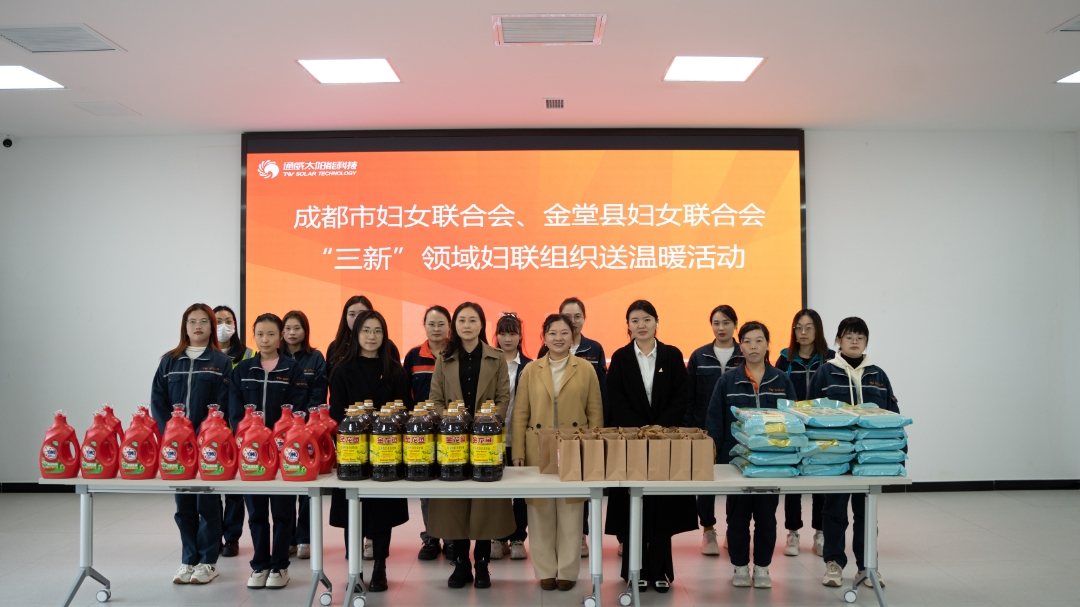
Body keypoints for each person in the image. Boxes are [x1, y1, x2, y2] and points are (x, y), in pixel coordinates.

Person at [604, 300, 697, 594]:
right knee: (634, 507)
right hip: (631, 443)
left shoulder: (672, 355)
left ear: (657, 322)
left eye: (646, 319)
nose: (641, 325)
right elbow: (616, 400)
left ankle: (660, 571)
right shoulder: (620, 358)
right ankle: (635, 571)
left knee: (661, 508)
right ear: (628, 326)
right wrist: (640, 429)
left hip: (664, 442)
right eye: (634, 320)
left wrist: (658, 428)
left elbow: (681, 397)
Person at [511, 313, 603, 590]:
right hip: (537, 447)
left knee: (571, 513)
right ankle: (545, 570)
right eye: (552, 333)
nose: (558, 338)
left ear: (573, 336)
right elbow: (520, 413)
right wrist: (518, 450)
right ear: (544, 337)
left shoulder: (585, 369)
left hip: (574, 447)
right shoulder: (531, 370)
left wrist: (594, 450)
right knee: (540, 513)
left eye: (564, 332)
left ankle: (567, 571)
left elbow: (595, 413)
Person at [427, 302, 515, 589]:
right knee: (455, 504)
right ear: (455, 325)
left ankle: (482, 564)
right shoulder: (444, 358)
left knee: (484, 505)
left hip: (485, 442)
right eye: (462, 320)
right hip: (452, 443)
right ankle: (461, 564)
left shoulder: (495, 358)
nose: (467, 325)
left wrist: (485, 424)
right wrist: (453, 421)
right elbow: (435, 400)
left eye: (473, 320)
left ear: (482, 324)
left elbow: (503, 398)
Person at [809, 317, 900, 590]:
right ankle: (834, 564)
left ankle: (867, 566)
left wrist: (897, 452)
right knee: (834, 512)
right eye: (849, 336)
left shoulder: (878, 375)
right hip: (835, 456)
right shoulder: (825, 372)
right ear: (839, 340)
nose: (855, 341)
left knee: (866, 514)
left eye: (860, 337)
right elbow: (810, 413)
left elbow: (893, 415)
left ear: (866, 342)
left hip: (870, 457)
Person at [706, 321, 797, 590]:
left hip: (772, 463)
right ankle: (739, 566)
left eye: (759, 341)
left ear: (768, 345)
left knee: (767, 518)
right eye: (747, 341)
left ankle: (763, 567)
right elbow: (715, 421)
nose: (753, 346)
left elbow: (793, 420)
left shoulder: (781, 380)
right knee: (737, 518)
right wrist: (717, 459)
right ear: (740, 346)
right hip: (736, 463)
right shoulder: (727, 381)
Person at [327, 310, 411, 593]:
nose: (371, 336)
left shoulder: (395, 371)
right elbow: (336, 413)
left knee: (382, 513)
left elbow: (403, 412)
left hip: (386, 453)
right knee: (353, 512)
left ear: (384, 335)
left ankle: (380, 568)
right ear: (356, 334)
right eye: (366, 330)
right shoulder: (341, 370)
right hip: (353, 453)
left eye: (377, 331)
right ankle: (355, 571)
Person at [151, 304, 231, 586]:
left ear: (212, 327)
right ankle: (188, 559)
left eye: (204, 321)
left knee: (207, 503)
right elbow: (157, 401)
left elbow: (222, 402)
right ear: (184, 327)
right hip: (176, 447)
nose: (198, 326)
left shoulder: (221, 362)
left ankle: (208, 561)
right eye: (192, 321)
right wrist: (173, 436)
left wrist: (202, 435)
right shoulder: (169, 361)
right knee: (183, 505)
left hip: (207, 444)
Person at [227, 313, 307, 590]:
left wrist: (278, 441)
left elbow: (297, 408)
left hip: (283, 452)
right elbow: (235, 411)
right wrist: (248, 439)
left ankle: (280, 566)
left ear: (280, 336)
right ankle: (259, 565)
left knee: (283, 513)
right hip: (252, 454)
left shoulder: (292, 369)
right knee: (257, 513)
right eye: (260, 334)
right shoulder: (242, 369)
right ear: (254, 336)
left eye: (271, 334)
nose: (265, 339)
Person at [774, 309, 834, 558]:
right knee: (793, 481)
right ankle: (793, 532)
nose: (803, 332)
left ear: (818, 330)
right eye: (798, 327)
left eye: (809, 327)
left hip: (821, 427)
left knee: (820, 480)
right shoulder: (784, 360)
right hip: (793, 427)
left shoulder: (830, 359)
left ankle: (820, 532)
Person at [683, 304, 742, 556]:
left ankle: (733, 529)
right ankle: (708, 529)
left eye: (726, 322)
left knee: (735, 483)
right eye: (716, 323)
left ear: (735, 325)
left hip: (739, 431)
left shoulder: (745, 354)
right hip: (704, 430)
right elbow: (689, 396)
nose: (721, 327)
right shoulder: (700, 356)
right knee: (707, 482)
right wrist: (688, 429)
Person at [556, 297, 607, 557]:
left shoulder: (594, 348)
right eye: (568, 316)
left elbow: (600, 392)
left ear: (584, 319)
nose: (573, 321)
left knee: (583, 483)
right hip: (556, 428)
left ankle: (582, 535)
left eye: (577, 316)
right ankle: (560, 534)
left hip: (584, 427)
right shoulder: (550, 347)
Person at [403, 305, 452, 561]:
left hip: (451, 430)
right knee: (427, 488)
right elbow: (406, 395)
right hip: (421, 433)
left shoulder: (456, 353)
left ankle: (452, 539)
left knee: (451, 487)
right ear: (424, 326)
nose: (436, 328)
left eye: (441, 323)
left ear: (449, 326)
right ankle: (431, 537)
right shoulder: (413, 356)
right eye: (431, 324)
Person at [281, 310, 328, 561]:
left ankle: (304, 538)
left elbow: (319, 391)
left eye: (297, 328)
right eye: (287, 328)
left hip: (309, 430)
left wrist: (306, 421)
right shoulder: (274, 357)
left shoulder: (315, 358)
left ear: (305, 330)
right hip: (282, 430)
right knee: (287, 483)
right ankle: (287, 537)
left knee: (308, 484)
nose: (292, 333)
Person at [213, 304, 254, 558]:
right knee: (211, 487)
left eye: (228, 321)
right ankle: (213, 535)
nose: (223, 326)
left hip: (239, 431)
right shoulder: (207, 356)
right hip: (212, 431)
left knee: (235, 491)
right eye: (218, 321)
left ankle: (232, 537)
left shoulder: (249, 354)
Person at [491, 313, 533, 561]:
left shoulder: (530, 365)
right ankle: (497, 537)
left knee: (521, 492)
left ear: (520, 336)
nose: (507, 338)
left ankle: (517, 537)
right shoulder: (489, 364)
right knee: (497, 492)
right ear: (496, 336)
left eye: (513, 333)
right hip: (492, 438)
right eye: (503, 333)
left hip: (518, 438)